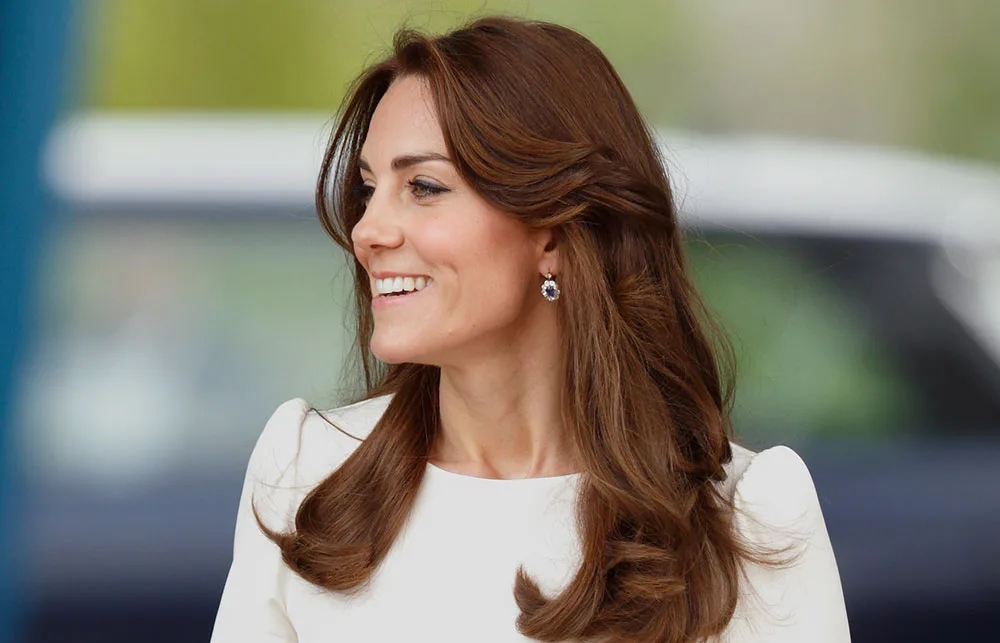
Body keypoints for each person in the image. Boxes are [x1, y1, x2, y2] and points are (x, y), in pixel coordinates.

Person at [209, 14, 851, 643]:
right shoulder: (307, 470)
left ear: (551, 235)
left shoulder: (748, 519)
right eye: (369, 189)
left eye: (424, 187)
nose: (367, 231)